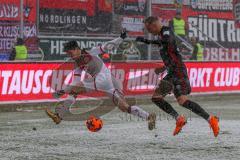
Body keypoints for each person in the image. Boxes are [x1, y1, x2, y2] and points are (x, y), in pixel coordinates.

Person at [45, 30, 156, 130]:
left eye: (70, 53)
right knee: (124, 107)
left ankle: (59, 116)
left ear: (77, 49)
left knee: (73, 90)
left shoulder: (90, 52)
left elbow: (107, 47)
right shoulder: (77, 64)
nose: (70, 56)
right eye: (68, 54)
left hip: (102, 79)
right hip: (108, 83)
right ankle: (148, 117)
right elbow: (75, 82)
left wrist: (120, 38)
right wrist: (67, 90)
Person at [136, 16, 219, 137]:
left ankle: (208, 119)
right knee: (171, 99)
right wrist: (163, 67)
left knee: (167, 99)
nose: (149, 32)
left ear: (154, 25)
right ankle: (184, 118)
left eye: (149, 29)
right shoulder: (161, 36)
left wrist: (148, 41)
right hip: (173, 71)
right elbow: (171, 52)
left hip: (178, 71)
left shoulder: (166, 31)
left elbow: (168, 40)